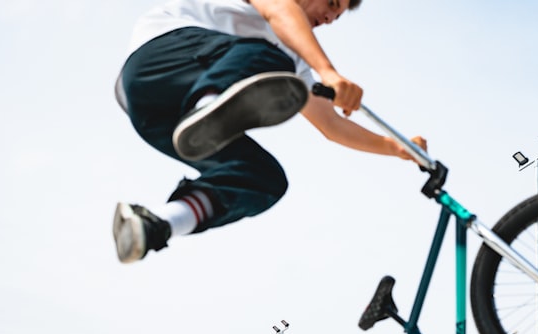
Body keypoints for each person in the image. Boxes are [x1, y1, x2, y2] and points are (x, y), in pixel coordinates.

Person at [111, 0, 427, 264]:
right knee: (270, 57)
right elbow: (279, 10)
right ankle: (207, 103)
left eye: (337, 16)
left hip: (156, 118)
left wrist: (396, 147)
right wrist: (328, 72)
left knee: (265, 179)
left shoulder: (291, 58)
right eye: (332, 3)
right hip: (162, 57)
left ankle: (156, 225)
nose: (330, 18)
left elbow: (332, 125)